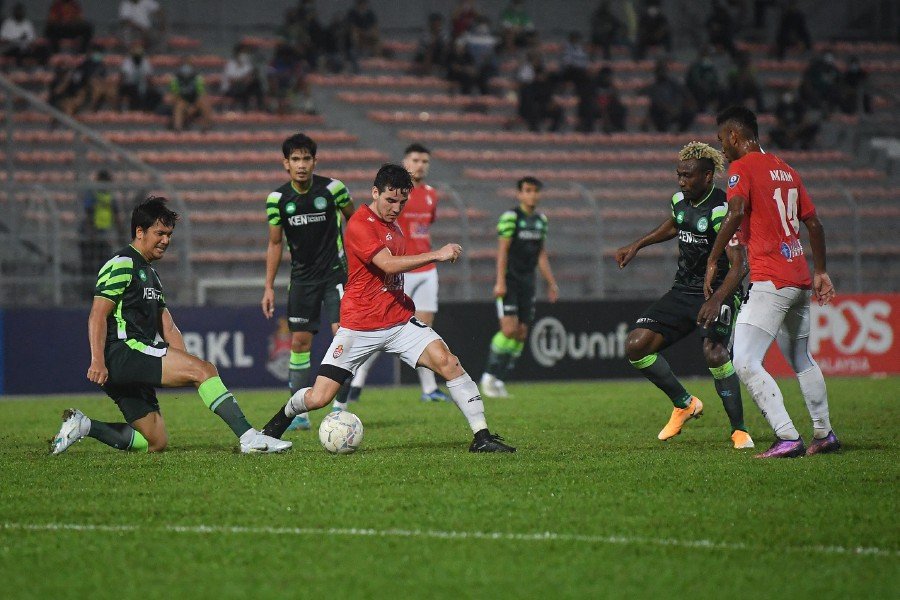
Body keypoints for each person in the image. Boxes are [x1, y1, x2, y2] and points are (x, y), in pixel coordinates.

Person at [260, 164, 516, 453]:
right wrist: (437, 254)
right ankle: (276, 424)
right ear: (374, 193)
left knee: (449, 363)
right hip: (359, 326)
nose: (396, 208)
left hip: (398, 321)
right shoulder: (359, 224)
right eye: (390, 200)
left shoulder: (393, 225)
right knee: (319, 398)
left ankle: (481, 437)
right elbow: (387, 264)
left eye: (402, 202)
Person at [50, 197, 291, 455]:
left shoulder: (151, 273)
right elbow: (97, 315)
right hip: (123, 351)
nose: (166, 240)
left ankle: (83, 425)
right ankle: (249, 438)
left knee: (154, 441)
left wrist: (185, 360)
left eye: (169, 234)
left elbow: (167, 324)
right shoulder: (122, 264)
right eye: (160, 233)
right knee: (205, 370)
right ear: (139, 232)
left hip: (129, 357)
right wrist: (97, 360)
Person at [704, 106, 840, 458]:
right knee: (801, 358)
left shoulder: (742, 167)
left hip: (770, 279)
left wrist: (714, 257)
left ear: (735, 136)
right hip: (798, 277)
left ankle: (787, 436)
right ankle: (824, 434)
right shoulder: (786, 168)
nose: (721, 149)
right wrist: (821, 271)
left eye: (721, 141)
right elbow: (815, 225)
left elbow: (734, 213)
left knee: (745, 360)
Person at [615, 142, 753, 449]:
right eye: (679, 175)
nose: (681, 181)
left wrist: (717, 299)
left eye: (688, 176)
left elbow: (740, 266)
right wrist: (638, 244)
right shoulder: (680, 200)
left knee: (714, 352)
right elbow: (675, 224)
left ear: (707, 176)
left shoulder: (721, 209)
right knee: (636, 345)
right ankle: (684, 403)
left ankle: (739, 430)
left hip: (718, 291)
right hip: (683, 290)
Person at [261, 133, 355, 431]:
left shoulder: (333, 189)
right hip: (301, 280)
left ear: (315, 161)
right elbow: (275, 244)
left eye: (306, 159)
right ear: (285, 163)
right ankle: (299, 413)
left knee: (343, 337)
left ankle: (340, 408)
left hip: (336, 275)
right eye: (295, 159)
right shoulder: (277, 200)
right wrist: (268, 287)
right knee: (300, 342)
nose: (301, 165)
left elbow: (355, 222)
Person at [348, 144, 449, 404]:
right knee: (383, 330)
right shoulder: (394, 195)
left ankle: (428, 389)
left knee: (424, 329)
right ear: (405, 162)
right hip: (398, 269)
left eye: (425, 161)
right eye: (415, 160)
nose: (420, 165)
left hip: (426, 269)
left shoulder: (430, 195)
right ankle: (357, 382)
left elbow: (424, 228)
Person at [480, 176, 558, 398]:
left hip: (528, 283)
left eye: (535, 191)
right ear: (519, 194)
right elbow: (502, 251)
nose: (532, 194)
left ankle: (500, 381)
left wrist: (550, 282)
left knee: (522, 333)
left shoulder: (541, 221)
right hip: (510, 281)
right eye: (527, 190)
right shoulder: (511, 218)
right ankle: (488, 377)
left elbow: (541, 254)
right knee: (509, 330)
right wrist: (500, 281)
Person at [78, 169, 122, 294]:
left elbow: (116, 216)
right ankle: (88, 292)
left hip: (103, 234)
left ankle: (101, 291)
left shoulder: (111, 197)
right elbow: (88, 214)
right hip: (91, 235)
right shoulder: (92, 194)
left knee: (103, 264)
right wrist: (91, 232)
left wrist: (121, 234)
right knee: (89, 264)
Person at [166, 59, 212, 132]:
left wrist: (193, 108)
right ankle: (177, 128)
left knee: (203, 102)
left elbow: (202, 94)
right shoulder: (175, 80)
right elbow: (174, 95)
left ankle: (207, 125)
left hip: (195, 105)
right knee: (180, 104)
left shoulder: (198, 79)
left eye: (188, 65)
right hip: (182, 104)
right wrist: (187, 108)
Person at [221, 43, 266, 111]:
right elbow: (232, 81)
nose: (245, 55)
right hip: (231, 89)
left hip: (244, 88)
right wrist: (244, 79)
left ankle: (260, 106)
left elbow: (250, 78)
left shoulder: (247, 65)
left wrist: (249, 78)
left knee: (256, 84)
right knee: (247, 87)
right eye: (243, 53)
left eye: (246, 53)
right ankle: (250, 108)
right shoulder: (230, 65)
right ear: (237, 54)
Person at [118, 44, 161, 111]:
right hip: (129, 85)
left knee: (155, 94)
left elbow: (149, 78)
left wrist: (152, 87)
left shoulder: (145, 62)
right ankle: (125, 108)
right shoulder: (127, 62)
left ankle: (147, 109)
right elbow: (122, 77)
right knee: (129, 90)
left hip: (141, 86)